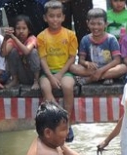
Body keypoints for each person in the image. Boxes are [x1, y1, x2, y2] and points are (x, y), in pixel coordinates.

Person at [37, 0, 78, 143]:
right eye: (51, 16)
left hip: (65, 71)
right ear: (45, 18)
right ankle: (61, 119)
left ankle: (67, 123)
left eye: (58, 16)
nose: (55, 19)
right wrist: (50, 76)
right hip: (47, 72)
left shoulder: (70, 34)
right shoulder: (41, 36)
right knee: (45, 88)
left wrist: (60, 74)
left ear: (63, 17)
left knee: (67, 86)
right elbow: (42, 59)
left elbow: (72, 57)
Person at [69, 8, 127, 86]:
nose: (96, 27)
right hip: (92, 69)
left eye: (99, 24)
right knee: (72, 67)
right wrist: (87, 63)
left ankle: (90, 79)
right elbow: (81, 60)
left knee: (123, 68)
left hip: (108, 68)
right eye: (92, 24)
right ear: (87, 23)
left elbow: (117, 60)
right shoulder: (85, 39)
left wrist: (101, 70)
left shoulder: (111, 39)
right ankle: (105, 77)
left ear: (106, 24)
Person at [0, 15, 41, 89]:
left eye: (24, 28)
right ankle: (15, 80)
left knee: (33, 52)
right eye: (18, 28)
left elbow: (26, 51)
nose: (21, 31)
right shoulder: (12, 41)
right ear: (14, 30)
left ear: (29, 30)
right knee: (12, 52)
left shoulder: (32, 39)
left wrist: (14, 38)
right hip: (22, 74)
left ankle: (36, 81)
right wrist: (5, 40)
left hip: (32, 74)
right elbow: (3, 54)